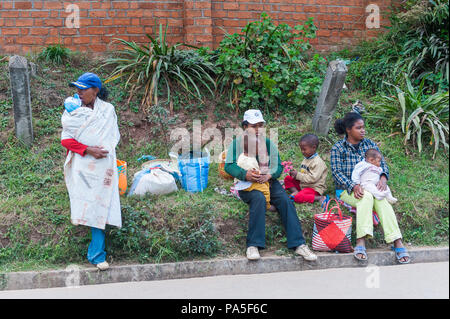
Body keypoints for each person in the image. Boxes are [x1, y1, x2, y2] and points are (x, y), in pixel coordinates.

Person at [225, 109, 317, 261]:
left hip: (268, 181)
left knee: (285, 201)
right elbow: (229, 166)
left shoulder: (267, 143)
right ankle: (253, 245)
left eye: (260, 125)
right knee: (258, 199)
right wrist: (245, 174)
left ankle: (299, 244)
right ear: (245, 126)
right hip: (246, 184)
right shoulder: (238, 143)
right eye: (254, 126)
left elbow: (278, 166)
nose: (257, 129)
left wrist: (269, 175)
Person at [330, 112, 410, 264]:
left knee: (381, 199)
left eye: (363, 127)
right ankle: (361, 241)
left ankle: (396, 241)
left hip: (371, 187)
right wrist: (353, 186)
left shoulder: (370, 145)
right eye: (358, 128)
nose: (363, 130)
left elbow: (383, 164)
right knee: (365, 196)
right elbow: (336, 172)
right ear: (348, 130)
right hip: (346, 191)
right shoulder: (338, 148)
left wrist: (383, 178)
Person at [61, 72, 121, 271]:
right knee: (87, 204)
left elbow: (112, 136)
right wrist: (89, 149)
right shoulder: (72, 110)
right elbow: (66, 139)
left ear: (95, 90)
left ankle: (96, 255)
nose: (78, 93)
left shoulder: (107, 110)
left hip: (103, 165)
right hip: (83, 165)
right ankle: (96, 253)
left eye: (83, 89)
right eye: (77, 88)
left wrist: (101, 150)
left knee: (101, 205)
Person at [284, 134, 329, 206]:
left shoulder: (318, 162)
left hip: (314, 187)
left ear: (313, 148)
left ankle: (319, 198)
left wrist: (298, 175)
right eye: (301, 149)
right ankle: (296, 191)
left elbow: (313, 178)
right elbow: (304, 172)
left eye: (304, 149)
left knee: (298, 198)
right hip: (304, 184)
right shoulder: (307, 158)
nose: (302, 151)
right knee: (287, 179)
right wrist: (294, 173)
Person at [235, 132, 273, 211]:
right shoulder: (248, 161)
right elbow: (254, 174)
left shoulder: (244, 155)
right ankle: (267, 205)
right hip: (246, 183)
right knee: (265, 189)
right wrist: (262, 173)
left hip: (244, 181)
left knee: (266, 183)